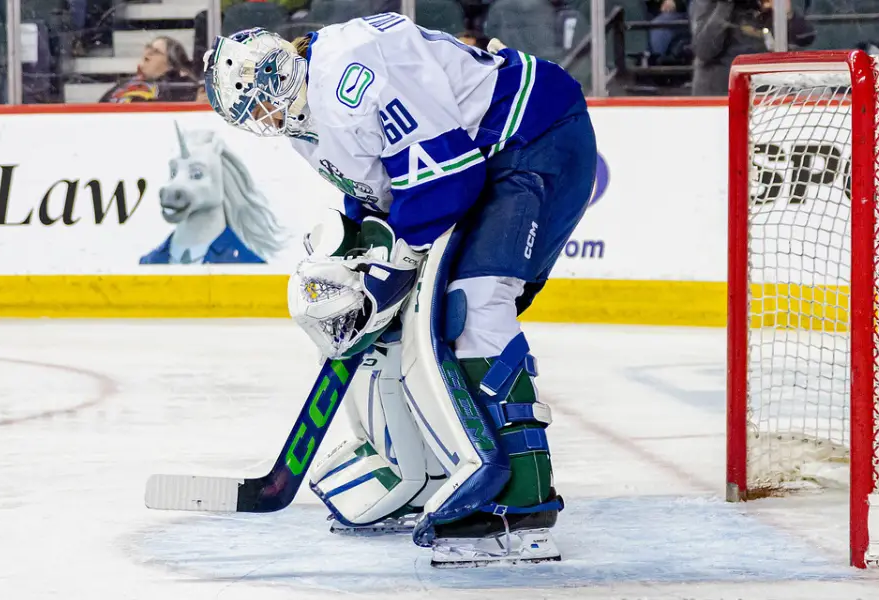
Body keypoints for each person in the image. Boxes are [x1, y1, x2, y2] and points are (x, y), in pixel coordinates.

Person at [201, 14, 596, 566]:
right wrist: (360, 256)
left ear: (282, 72)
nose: (265, 117)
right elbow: (381, 193)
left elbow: (445, 180)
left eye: (264, 100)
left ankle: (522, 500)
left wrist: (393, 267)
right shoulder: (301, 119)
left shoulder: (350, 70)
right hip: (481, 158)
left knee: (473, 305)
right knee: (400, 320)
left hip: (532, 134)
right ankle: (422, 472)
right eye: (251, 115)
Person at [691, 0, 815, 96]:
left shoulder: (769, 4)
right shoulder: (709, 3)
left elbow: (804, 38)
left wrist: (787, 14)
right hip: (717, 96)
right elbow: (704, 49)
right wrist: (725, 5)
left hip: (768, 95)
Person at [100, 36, 199, 103]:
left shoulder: (178, 88)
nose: (147, 54)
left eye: (156, 52)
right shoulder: (124, 83)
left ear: (171, 65)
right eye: (148, 48)